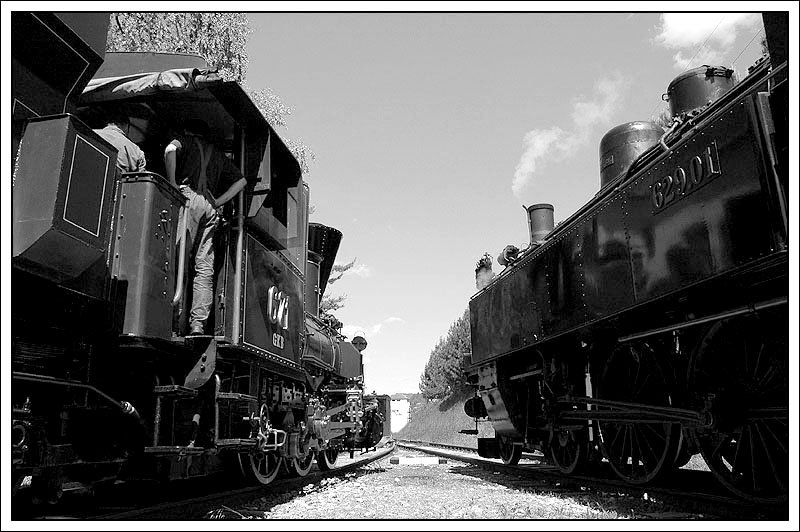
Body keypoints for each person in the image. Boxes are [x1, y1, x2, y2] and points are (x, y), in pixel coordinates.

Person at [164, 119, 247, 336]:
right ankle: (198, 324)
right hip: (210, 207)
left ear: (191, 131)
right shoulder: (218, 155)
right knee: (204, 268)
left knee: (179, 256)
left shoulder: (186, 141)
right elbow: (242, 182)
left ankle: (173, 321)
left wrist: (172, 182)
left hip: (189, 199)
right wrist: (218, 202)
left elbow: (170, 150)